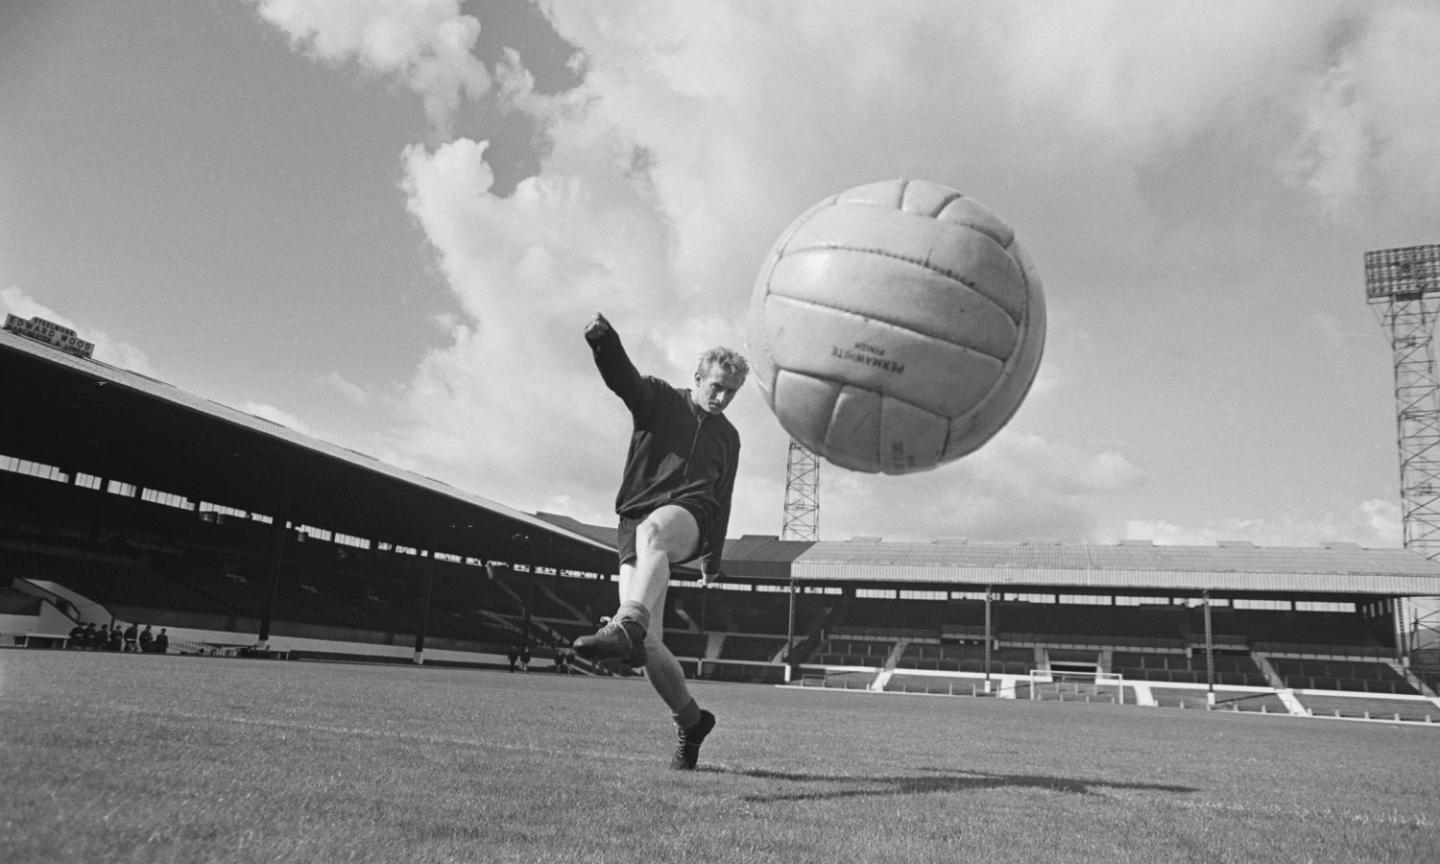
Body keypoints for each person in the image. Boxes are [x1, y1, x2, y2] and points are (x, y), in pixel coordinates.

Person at [572, 311, 747, 770]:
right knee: (648, 645)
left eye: (732, 392)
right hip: (634, 524)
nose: (723, 398)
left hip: (692, 516)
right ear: (698, 377)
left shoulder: (729, 437)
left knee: (655, 537)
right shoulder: (660, 400)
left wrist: (713, 558)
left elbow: (723, 497)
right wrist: (604, 341)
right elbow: (622, 379)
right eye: (717, 387)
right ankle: (691, 722)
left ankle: (625, 621)